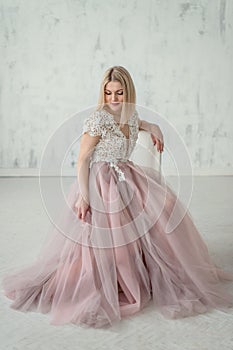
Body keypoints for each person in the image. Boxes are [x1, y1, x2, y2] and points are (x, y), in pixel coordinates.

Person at [2, 65, 233, 329]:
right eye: (109, 92)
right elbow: (82, 160)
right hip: (101, 181)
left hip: (127, 175)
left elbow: (139, 122)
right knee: (115, 242)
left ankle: (152, 266)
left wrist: (154, 126)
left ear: (128, 93)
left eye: (120, 93)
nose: (113, 98)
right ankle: (105, 274)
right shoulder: (98, 120)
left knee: (164, 208)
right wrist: (84, 199)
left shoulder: (131, 116)